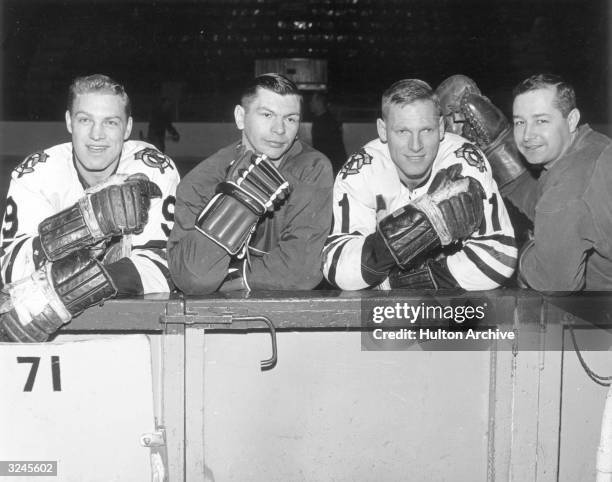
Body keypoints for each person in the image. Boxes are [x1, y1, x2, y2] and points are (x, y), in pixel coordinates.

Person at [0, 74, 180, 341]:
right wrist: (81, 226)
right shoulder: (37, 173)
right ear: (69, 122)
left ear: (128, 128)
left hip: (128, 329)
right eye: (85, 120)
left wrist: (72, 289)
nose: (97, 134)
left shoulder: (153, 171)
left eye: (111, 122)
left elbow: (161, 268)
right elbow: (9, 266)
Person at [322, 79, 517, 291]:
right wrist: (423, 222)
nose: (416, 146)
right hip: (384, 313)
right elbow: (337, 267)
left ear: (441, 128)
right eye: (402, 131)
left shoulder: (463, 161)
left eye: (426, 130)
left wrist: (393, 280)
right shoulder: (362, 169)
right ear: (382, 129)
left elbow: (499, 258)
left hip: (455, 310)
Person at [168, 73, 333, 293]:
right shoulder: (201, 181)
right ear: (240, 117)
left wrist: (234, 278)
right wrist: (233, 202)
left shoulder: (311, 168)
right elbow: (191, 279)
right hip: (217, 316)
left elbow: (302, 271)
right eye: (267, 115)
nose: (280, 129)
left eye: (290, 118)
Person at [448, 73, 612, 291]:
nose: (527, 135)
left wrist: (524, 251)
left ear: (571, 120)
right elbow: (554, 202)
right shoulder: (594, 146)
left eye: (541, 121)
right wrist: (500, 155)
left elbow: (554, 284)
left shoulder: (567, 196)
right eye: (519, 122)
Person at [309, 91, 347, 175]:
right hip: (331, 166)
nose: (310, 103)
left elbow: (326, 149)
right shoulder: (324, 119)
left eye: (312, 101)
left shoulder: (327, 122)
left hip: (332, 167)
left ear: (319, 102)